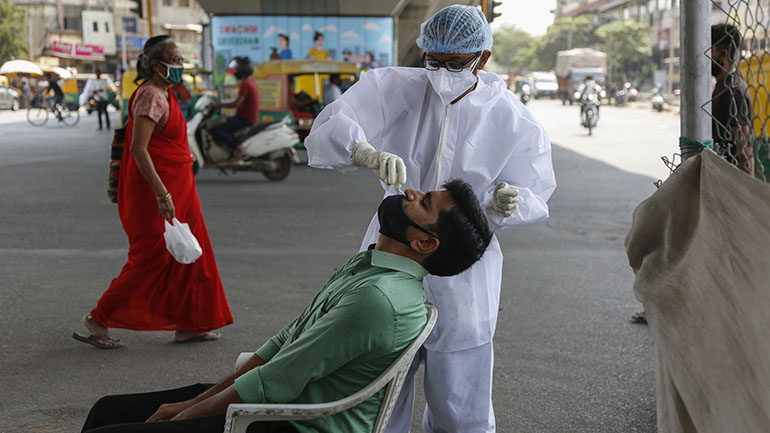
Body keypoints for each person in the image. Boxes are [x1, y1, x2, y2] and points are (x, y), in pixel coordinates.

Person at [305, 5, 556, 433]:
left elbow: (536, 190)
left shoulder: (510, 117)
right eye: (433, 61)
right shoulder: (395, 87)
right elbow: (333, 125)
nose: (441, 73)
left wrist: (507, 202)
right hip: (393, 249)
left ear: (483, 58)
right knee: (378, 388)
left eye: (456, 64)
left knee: (461, 398)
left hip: (463, 262)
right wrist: (363, 150)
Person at [79, 180, 493, 433]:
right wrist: (187, 404)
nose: (410, 191)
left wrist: (183, 416)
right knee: (107, 410)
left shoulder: (379, 298)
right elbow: (284, 345)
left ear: (423, 242)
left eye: (423, 202)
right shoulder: (369, 267)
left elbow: (276, 382)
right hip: (279, 401)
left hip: (293, 423)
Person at [72, 35, 233, 350]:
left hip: (180, 189)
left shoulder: (166, 93)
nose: (180, 66)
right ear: (157, 65)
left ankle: (190, 324)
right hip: (154, 192)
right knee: (151, 258)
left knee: (192, 257)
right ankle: (98, 318)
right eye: (174, 60)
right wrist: (162, 195)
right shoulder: (150, 96)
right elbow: (139, 150)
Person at [711, 23, 754, 176]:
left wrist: (747, 193)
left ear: (722, 55)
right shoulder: (724, 86)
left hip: (729, 178)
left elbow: (745, 149)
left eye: (710, 51)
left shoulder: (733, 90)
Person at [209, 56, 260, 158]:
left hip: (245, 119)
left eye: (236, 69)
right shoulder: (251, 82)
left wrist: (217, 105)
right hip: (248, 117)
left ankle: (238, 149)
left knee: (216, 130)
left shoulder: (245, 84)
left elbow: (237, 103)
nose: (234, 72)